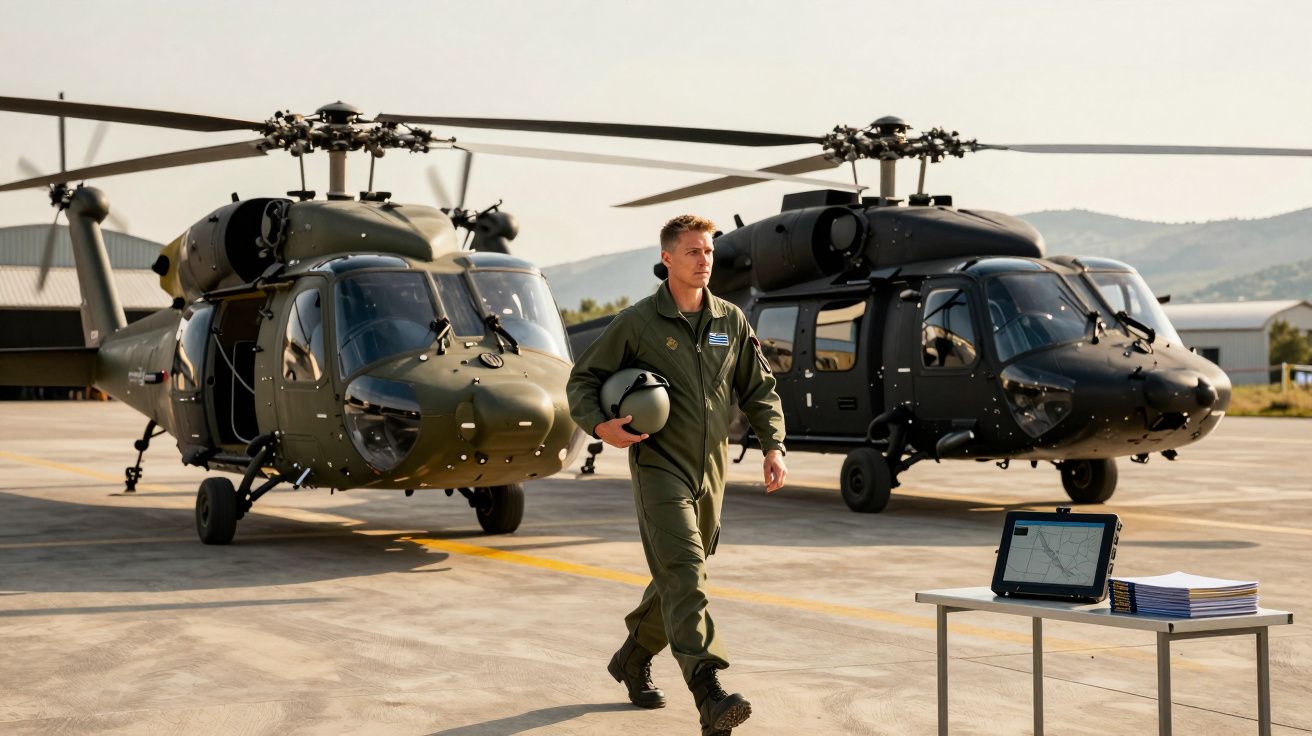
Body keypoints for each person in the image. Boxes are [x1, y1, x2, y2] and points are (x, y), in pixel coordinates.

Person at [566, 214, 787, 735]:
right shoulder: (638, 321)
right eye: (692, 252)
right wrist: (601, 425)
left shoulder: (730, 320)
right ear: (667, 259)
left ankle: (631, 658)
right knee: (686, 572)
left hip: (711, 470)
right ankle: (709, 691)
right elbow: (583, 379)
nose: (703, 260)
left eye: (708, 251)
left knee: (681, 573)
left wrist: (773, 445)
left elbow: (759, 388)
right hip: (658, 464)